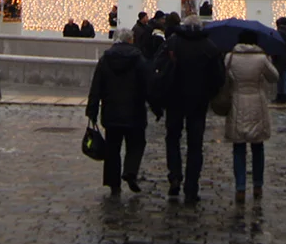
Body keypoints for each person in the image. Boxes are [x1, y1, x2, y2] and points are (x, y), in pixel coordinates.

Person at [159, 15, 225, 203]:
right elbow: (219, 78)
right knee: (195, 145)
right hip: (198, 101)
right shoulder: (209, 46)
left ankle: (175, 175)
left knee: (172, 138)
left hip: (174, 98)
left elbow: (159, 67)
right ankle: (191, 186)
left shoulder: (173, 42)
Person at [86, 28, 150, 196]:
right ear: (130, 40)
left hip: (112, 111)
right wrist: (156, 105)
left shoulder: (106, 59)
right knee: (136, 144)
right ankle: (130, 170)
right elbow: (147, 83)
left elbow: (96, 85)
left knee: (112, 148)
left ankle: (113, 183)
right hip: (135, 111)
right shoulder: (138, 59)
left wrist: (92, 109)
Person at [224, 28, 278, 201]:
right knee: (258, 146)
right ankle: (257, 185)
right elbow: (274, 77)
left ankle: (240, 187)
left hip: (237, 101)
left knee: (238, 147)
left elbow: (224, 77)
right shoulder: (261, 58)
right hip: (257, 102)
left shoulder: (230, 57)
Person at [272, 17, 286, 102]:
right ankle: (285, 94)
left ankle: (281, 95)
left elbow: (276, 45)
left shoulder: (279, 33)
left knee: (281, 78)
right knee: (285, 76)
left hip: (280, 57)